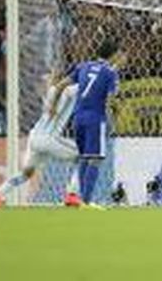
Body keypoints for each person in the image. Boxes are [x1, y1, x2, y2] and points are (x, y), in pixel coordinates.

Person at [49, 38, 127, 208]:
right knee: (95, 159)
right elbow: (110, 100)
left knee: (84, 157)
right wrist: (115, 117)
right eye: (121, 55)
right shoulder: (110, 73)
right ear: (114, 55)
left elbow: (60, 85)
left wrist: (53, 107)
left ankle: (79, 199)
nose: (123, 58)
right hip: (95, 118)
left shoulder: (83, 66)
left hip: (78, 117)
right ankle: (87, 200)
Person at [0, 72, 81, 208]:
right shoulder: (69, 91)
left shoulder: (52, 92)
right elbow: (89, 85)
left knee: (26, 173)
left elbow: (50, 84)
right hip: (49, 139)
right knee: (86, 157)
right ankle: (72, 194)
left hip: (34, 137)